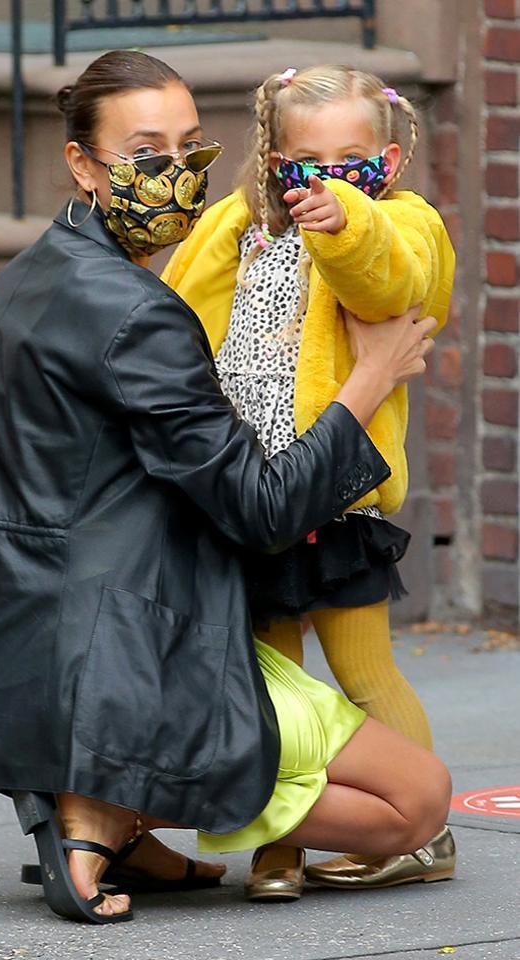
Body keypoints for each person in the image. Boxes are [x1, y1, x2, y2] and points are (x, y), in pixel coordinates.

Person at [0, 51, 450, 927]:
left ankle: (108, 805)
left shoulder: (34, 274)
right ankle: (101, 806)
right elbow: (264, 511)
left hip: (14, 648)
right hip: (127, 650)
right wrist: (372, 376)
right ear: (83, 164)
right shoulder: (139, 313)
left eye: (190, 153)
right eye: (146, 154)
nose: (174, 177)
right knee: (418, 802)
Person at [162, 63, 456, 899]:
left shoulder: (404, 224)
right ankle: (281, 846)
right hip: (255, 493)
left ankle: (421, 828)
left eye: (350, 161)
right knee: (273, 682)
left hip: (337, 496)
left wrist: (348, 222)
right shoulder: (244, 225)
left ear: (387, 165)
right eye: (304, 164)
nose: (324, 180)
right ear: (272, 161)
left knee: (365, 676)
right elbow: (181, 301)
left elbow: (395, 277)